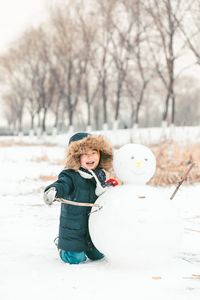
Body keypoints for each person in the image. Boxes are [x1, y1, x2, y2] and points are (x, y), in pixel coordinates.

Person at [43, 132, 116, 264]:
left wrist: (111, 188)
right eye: (85, 153)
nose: (90, 157)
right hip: (73, 229)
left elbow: (102, 192)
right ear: (76, 157)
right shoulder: (70, 175)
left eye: (94, 152)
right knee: (76, 259)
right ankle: (62, 248)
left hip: (92, 227)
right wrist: (54, 190)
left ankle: (89, 248)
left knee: (98, 255)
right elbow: (62, 184)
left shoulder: (100, 175)